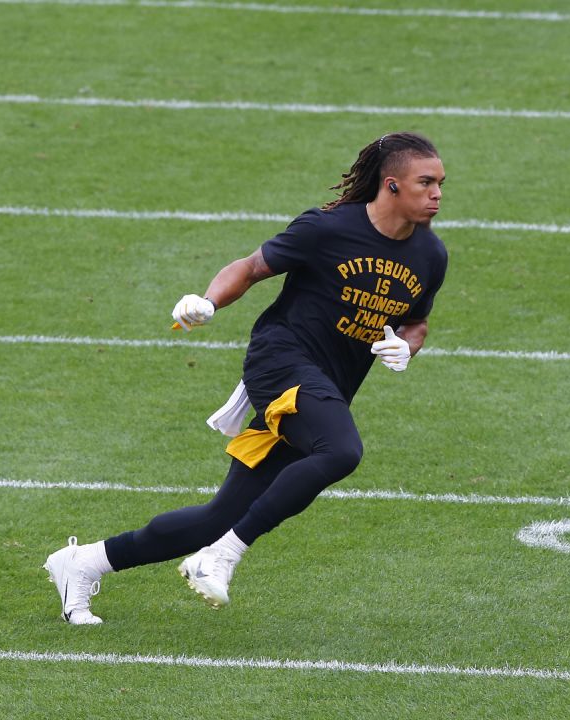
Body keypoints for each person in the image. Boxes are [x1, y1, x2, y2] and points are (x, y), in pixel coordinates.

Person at [44, 132, 448, 624]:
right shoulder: (326, 229)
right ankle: (222, 556)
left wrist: (406, 344)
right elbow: (252, 267)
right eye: (425, 183)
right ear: (391, 186)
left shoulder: (431, 255)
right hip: (281, 363)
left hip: (328, 385)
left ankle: (83, 562)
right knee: (341, 451)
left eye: (440, 184)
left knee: (219, 516)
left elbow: (418, 320)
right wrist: (208, 301)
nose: (437, 194)